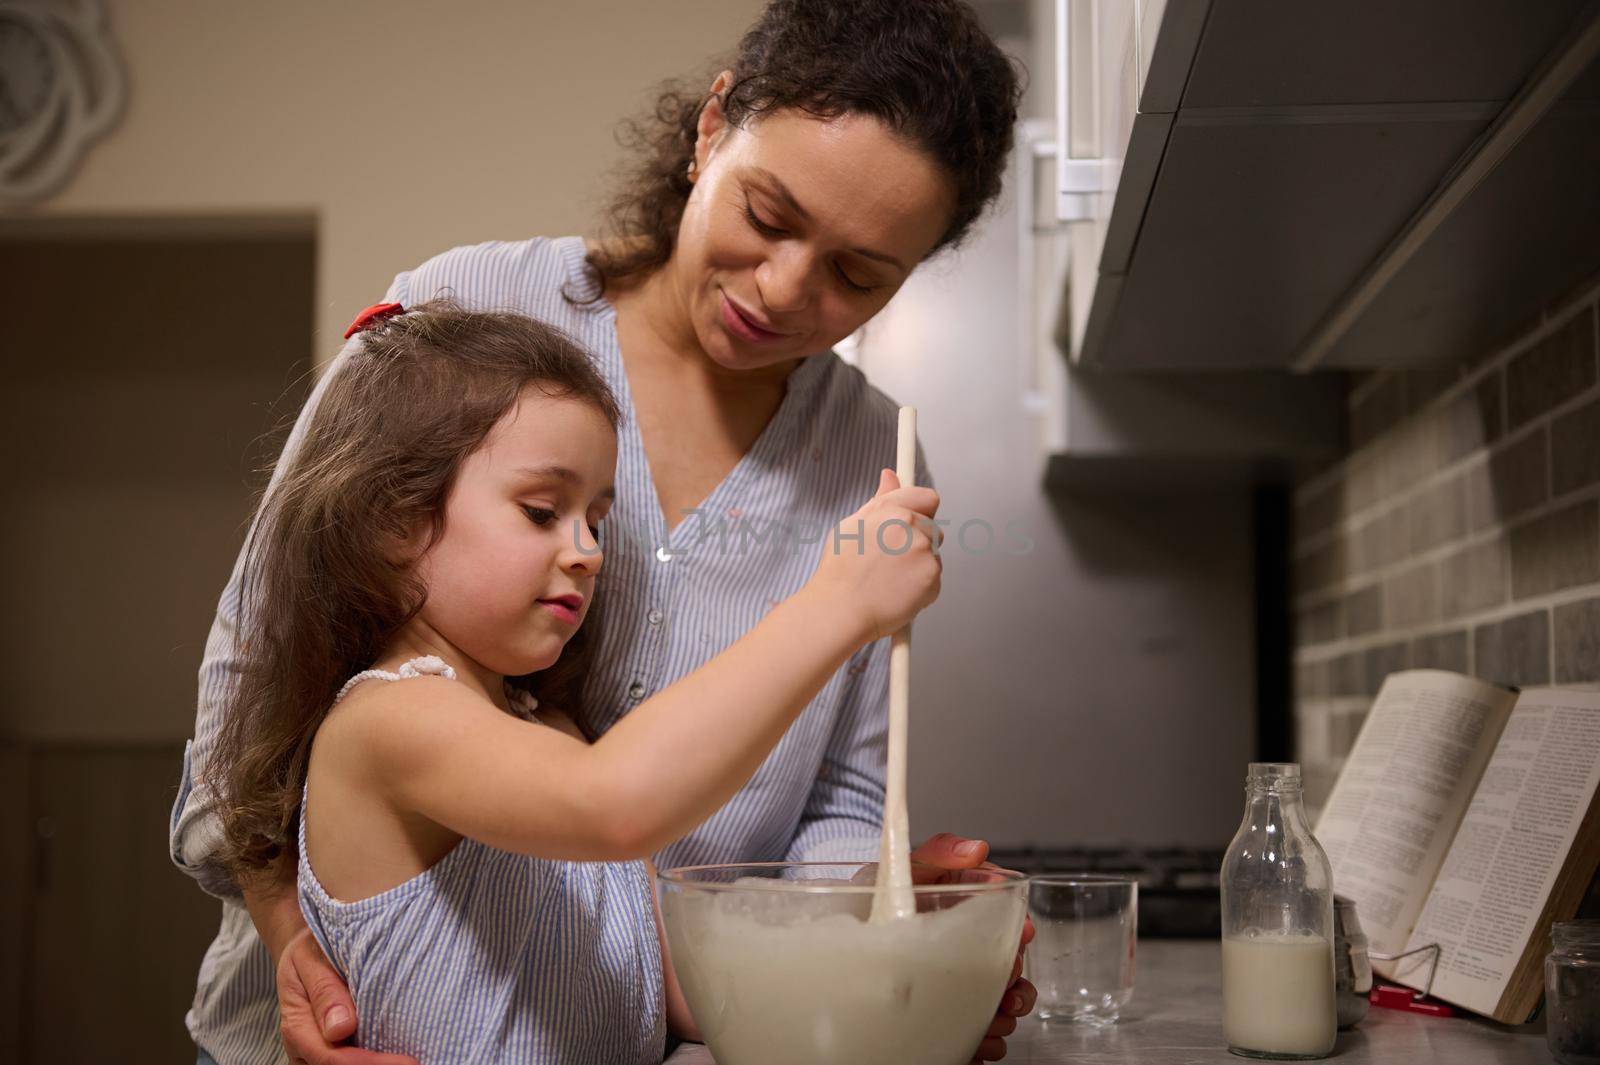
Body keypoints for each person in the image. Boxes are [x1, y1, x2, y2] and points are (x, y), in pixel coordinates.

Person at [171, 1, 1037, 1062]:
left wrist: (877, 938)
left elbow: (840, 803)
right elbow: (258, 669)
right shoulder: (459, 311)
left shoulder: (875, 466)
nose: (783, 288)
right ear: (713, 127)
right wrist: (300, 947)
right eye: (767, 216)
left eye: (858, 275)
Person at [202, 300, 942, 1064]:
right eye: (542, 510)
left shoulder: (547, 730)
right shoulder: (388, 720)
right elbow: (615, 803)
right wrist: (838, 602)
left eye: (596, 517)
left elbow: (683, 984)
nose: (587, 549)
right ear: (397, 521)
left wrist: (902, 982)